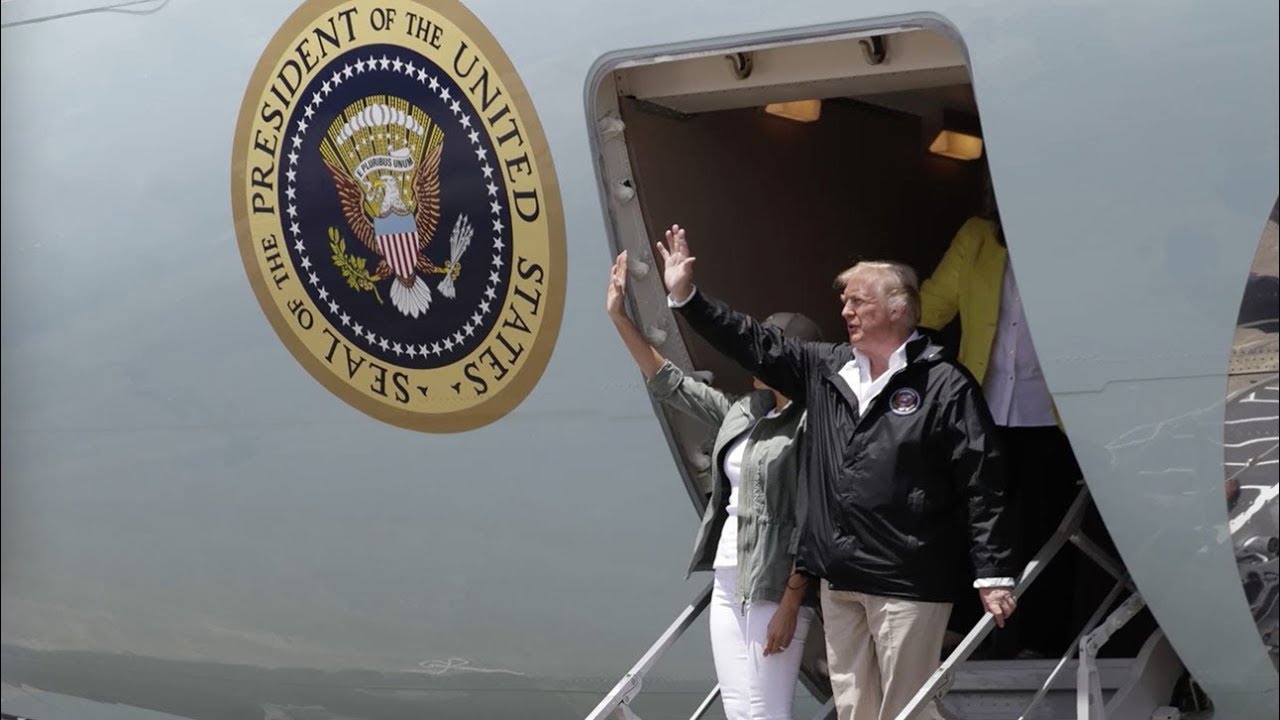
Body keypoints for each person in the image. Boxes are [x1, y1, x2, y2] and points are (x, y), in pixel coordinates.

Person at [655, 226, 1018, 720]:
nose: (845, 311)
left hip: (906, 579)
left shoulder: (943, 384)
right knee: (854, 709)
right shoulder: (826, 369)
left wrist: (992, 573)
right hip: (841, 579)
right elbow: (754, 342)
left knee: (907, 708)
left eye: (857, 301)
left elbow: (981, 479)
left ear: (896, 308)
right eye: (844, 301)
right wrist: (688, 298)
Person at [606, 250, 823, 720]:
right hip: (729, 577)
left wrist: (792, 600)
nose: (754, 354)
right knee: (740, 709)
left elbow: (813, 519)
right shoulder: (747, 411)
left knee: (767, 711)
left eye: (767, 346)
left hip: (775, 585)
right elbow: (672, 384)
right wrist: (619, 317)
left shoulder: (816, 426)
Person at [919, 188, 1083, 657]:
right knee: (976, 525)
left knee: (1050, 531)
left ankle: (1044, 642)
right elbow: (931, 307)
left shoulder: (1074, 245)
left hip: (1053, 417)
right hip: (984, 411)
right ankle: (976, 637)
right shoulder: (977, 238)